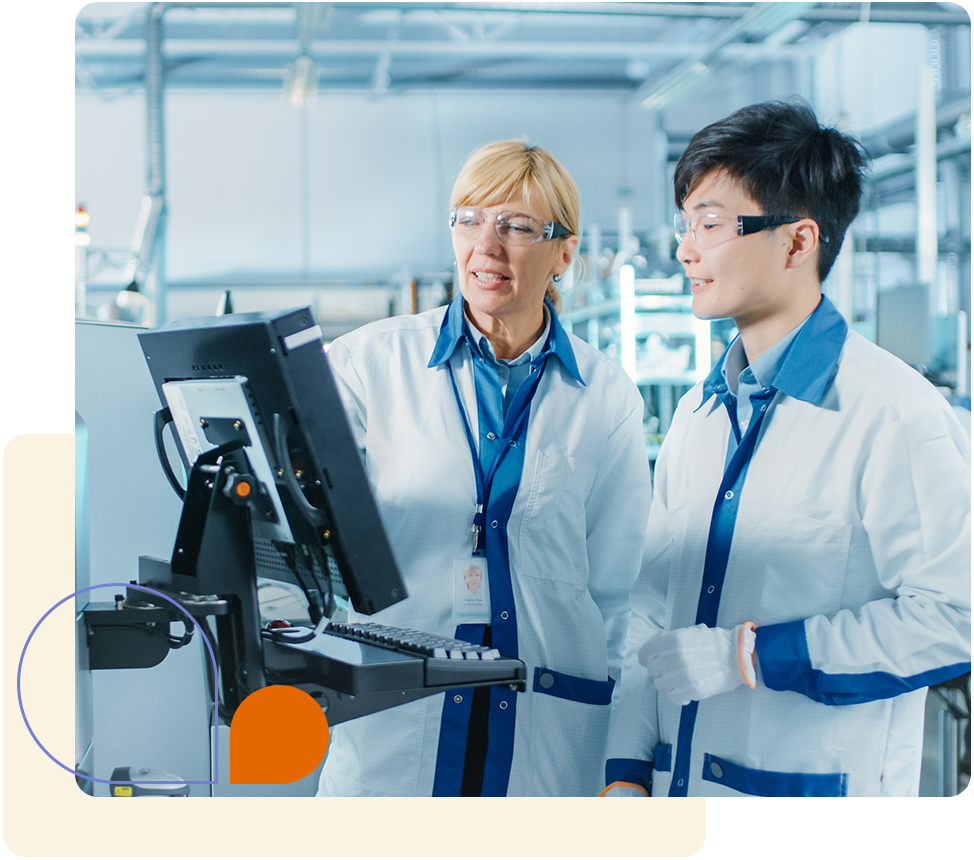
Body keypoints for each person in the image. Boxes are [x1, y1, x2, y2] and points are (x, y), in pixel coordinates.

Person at [603, 100, 971, 797]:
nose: (686, 250)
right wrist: (625, 768)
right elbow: (649, 611)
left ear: (799, 243)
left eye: (710, 224)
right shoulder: (697, 416)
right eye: (686, 225)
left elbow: (956, 619)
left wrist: (752, 655)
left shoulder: (893, 415)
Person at [317, 140, 652, 796]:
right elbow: (302, 535)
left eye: (517, 227)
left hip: (545, 733)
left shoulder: (607, 396)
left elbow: (621, 594)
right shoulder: (365, 367)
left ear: (563, 252)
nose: (487, 246)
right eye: (469, 219)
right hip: (397, 731)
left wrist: (626, 759)